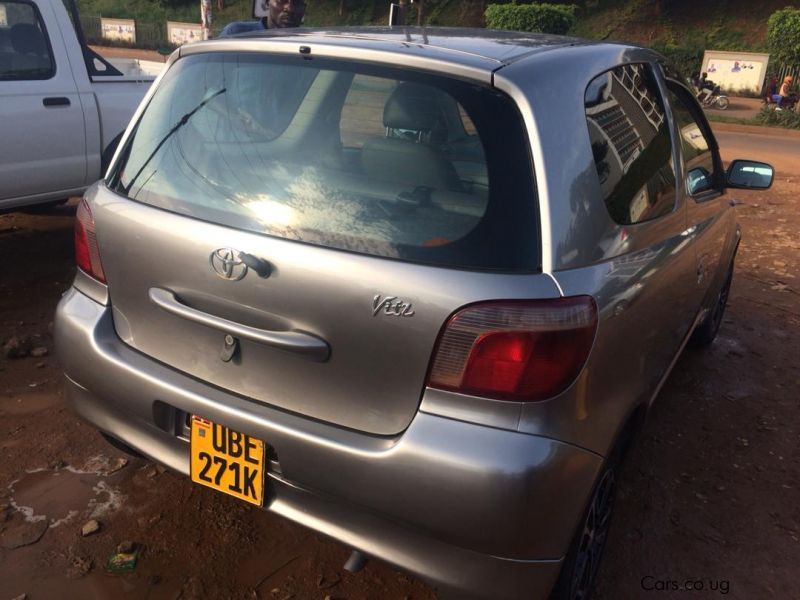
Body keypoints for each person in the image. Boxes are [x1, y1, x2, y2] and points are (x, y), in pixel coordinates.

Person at [218, 0, 305, 36]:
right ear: (267, 3)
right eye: (281, 0)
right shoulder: (237, 34)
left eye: (296, 2)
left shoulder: (309, 43)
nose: (290, 8)